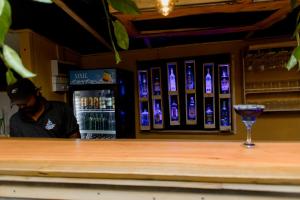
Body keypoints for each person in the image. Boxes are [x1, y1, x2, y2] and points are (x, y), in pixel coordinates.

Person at [6, 78, 80, 138]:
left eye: (25, 101)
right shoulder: (15, 121)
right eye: (18, 104)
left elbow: (74, 137)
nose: (22, 106)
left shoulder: (61, 109)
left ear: (37, 93)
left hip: (60, 156)